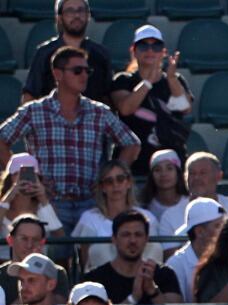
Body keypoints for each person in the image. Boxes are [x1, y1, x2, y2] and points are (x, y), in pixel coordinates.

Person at [0, 46, 140, 233]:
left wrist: (109, 177)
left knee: (91, 260)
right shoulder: (34, 111)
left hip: (92, 203)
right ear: (57, 74)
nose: (84, 75)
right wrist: (21, 173)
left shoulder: (98, 112)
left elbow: (132, 144)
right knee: (56, 260)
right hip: (49, 202)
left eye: (87, 70)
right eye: (77, 70)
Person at [109, 25, 194, 177]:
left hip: (171, 166)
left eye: (156, 46)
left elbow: (185, 108)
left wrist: (172, 79)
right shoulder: (123, 80)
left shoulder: (175, 80)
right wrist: (147, 82)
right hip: (135, 164)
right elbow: (125, 108)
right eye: (143, 46)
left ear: (163, 52)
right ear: (134, 51)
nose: (150, 50)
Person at [71, 160, 164, 271]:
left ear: (128, 182)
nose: (115, 185)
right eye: (109, 181)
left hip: (142, 277)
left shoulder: (147, 218)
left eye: (120, 179)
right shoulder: (89, 218)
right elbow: (85, 262)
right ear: (103, 187)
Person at [156, 153, 228, 253]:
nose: (196, 178)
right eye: (192, 173)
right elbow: (169, 258)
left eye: (203, 173)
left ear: (219, 176)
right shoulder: (169, 216)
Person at [22, 0, 113, 106]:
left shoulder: (101, 54)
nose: (76, 15)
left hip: (92, 119)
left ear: (88, 16)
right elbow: (30, 94)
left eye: (81, 10)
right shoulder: (44, 53)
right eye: (70, 11)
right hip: (53, 119)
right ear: (59, 18)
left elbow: (108, 97)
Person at [164, 197, 224, 305]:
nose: (224, 232)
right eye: (218, 226)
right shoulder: (175, 265)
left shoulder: (226, 256)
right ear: (200, 232)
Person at [1, 214, 70, 305]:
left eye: (35, 239)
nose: (29, 245)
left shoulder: (56, 272)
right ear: (10, 240)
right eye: (24, 239)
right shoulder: (1, 274)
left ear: (42, 243)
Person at [0, 155, 65, 244]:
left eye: (30, 174)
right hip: (5, 258)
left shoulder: (44, 206)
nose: (23, 179)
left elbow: (59, 236)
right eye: (17, 174)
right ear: (10, 178)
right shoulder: (2, 205)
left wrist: (43, 199)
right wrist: (8, 198)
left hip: (37, 256)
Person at [140, 149, 189, 227]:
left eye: (169, 169)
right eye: (157, 170)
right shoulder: (144, 206)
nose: (164, 174)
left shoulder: (189, 203)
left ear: (178, 173)